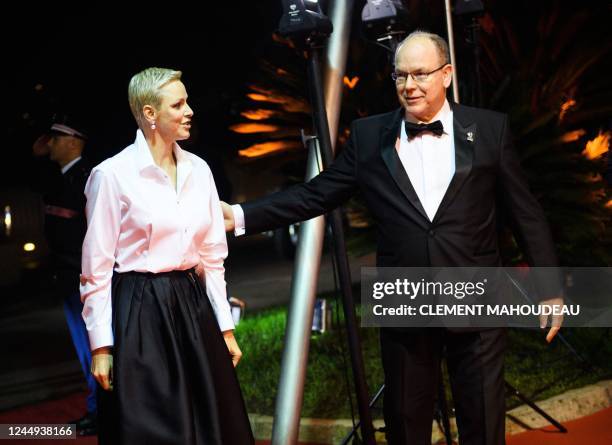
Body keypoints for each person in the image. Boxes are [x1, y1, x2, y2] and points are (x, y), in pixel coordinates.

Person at [223, 31, 563, 445]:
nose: (409, 85)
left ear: (448, 75)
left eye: (420, 74)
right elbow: (316, 194)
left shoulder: (489, 129)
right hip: (406, 306)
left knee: (485, 426)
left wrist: (549, 288)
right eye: (400, 76)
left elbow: (525, 212)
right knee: (405, 426)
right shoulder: (369, 137)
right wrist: (240, 215)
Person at [80, 67, 254, 444]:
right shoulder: (111, 175)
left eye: (187, 100)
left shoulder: (200, 170)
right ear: (150, 114)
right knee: (154, 426)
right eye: (178, 104)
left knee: (213, 422)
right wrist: (101, 346)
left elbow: (212, 256)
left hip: (193, 307)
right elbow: (95, 269)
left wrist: (225, 328)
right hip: (140, 310)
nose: (189, 110)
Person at [32, 113, 98, 435]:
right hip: (70, 279)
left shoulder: (86, 178)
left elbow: (88, 235)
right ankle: (99, 409)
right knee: (88, 351)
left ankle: (100, 412)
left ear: (73, 141)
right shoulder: (63, 179)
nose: (52, 144)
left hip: (83, 280)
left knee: (95, 350)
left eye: (57, 139)